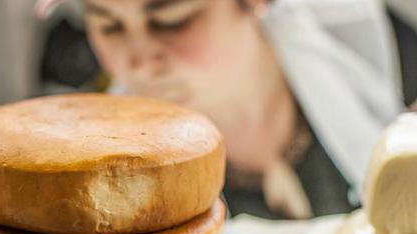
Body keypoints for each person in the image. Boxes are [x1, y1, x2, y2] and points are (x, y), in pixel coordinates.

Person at [37, 0, 405, 219]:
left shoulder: (386, 83)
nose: (138, 65)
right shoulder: (109, 167)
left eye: (171, 21)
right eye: (109, 26)